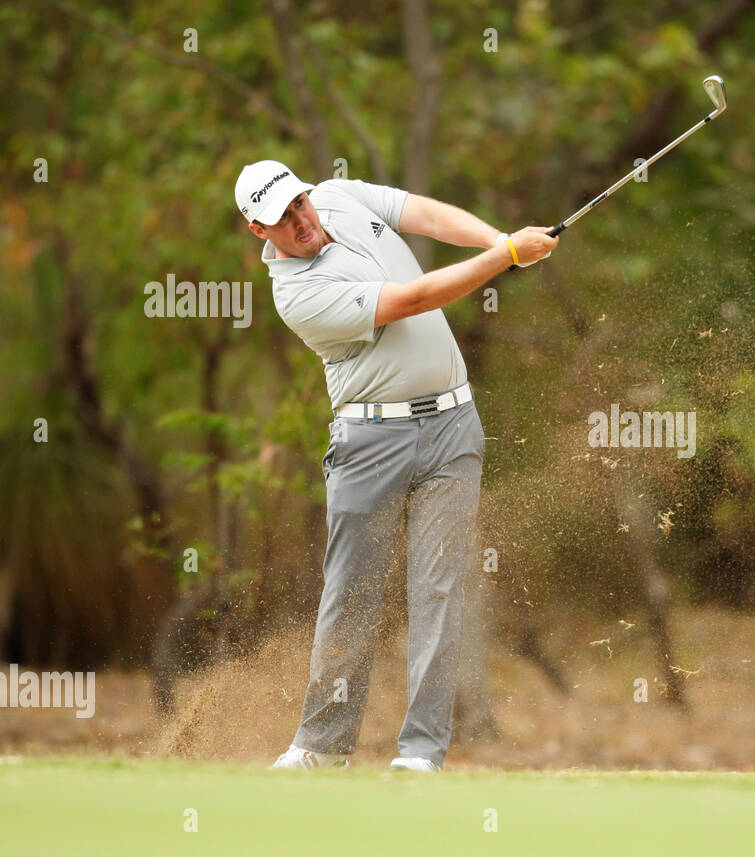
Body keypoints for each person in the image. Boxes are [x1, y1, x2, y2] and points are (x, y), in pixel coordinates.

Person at [232, 160, 557, 771]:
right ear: (258, 230)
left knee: (438, 588)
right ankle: (323, 747)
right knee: (351, 592)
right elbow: (413, 298)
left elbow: (427, 214)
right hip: (370, 440)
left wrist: (497, 239)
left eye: (299, 202)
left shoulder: (339, 195)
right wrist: (506, 257)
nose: (302, 219)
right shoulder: (296, 294)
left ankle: (422, 754)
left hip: (454, 428)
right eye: (282, 218)